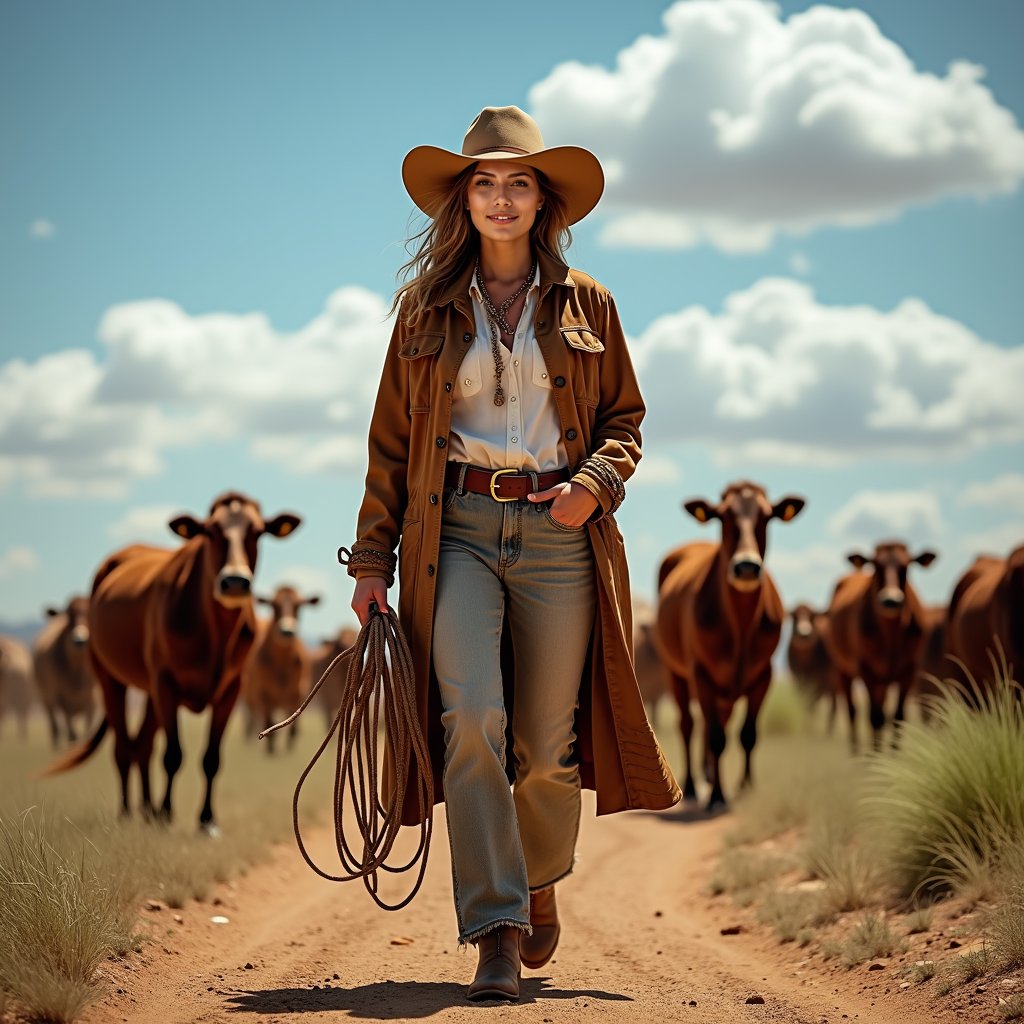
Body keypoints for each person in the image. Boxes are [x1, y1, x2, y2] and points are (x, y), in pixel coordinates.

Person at [345, 105, 680, 1002]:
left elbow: (626, 421)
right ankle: (495, 924)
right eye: (485, 183)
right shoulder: (421, 312)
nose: (500, 198)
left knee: (545, 741)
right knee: (471, 719)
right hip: (450, 529)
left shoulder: (589, 304)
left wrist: (593, 486)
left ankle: (537, 881)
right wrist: (372, 563)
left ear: (543, 201)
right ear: (464, 200)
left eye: (518, 182)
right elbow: (388, 445)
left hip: (557, 531)